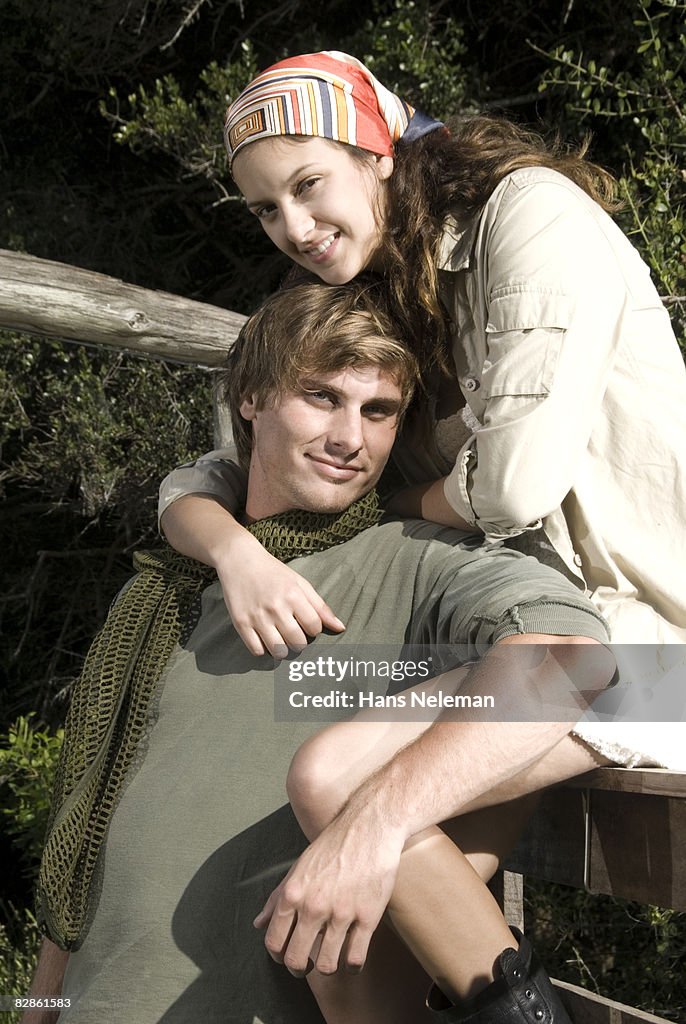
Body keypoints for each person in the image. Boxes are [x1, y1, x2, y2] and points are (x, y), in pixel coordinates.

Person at [155, 49, 686, 1018]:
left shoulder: (527, 216)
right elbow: (215, 473)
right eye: (266, 210)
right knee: (331, 902)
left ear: (379, 152)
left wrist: (401, 507)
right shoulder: (381, 291)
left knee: (334, 782)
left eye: (308, 184)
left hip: (651, 648)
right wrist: (232, 549)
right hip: (499, 654)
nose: (295, 228)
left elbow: (516, 479)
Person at [25, 279, 614, 1024]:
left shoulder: (422, 565)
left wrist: (376, 822)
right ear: (252, 398)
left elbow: (581, 660)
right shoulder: (161, 592)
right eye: (322, 397)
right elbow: (79, 856)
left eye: (379, 412)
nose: (350, 438)